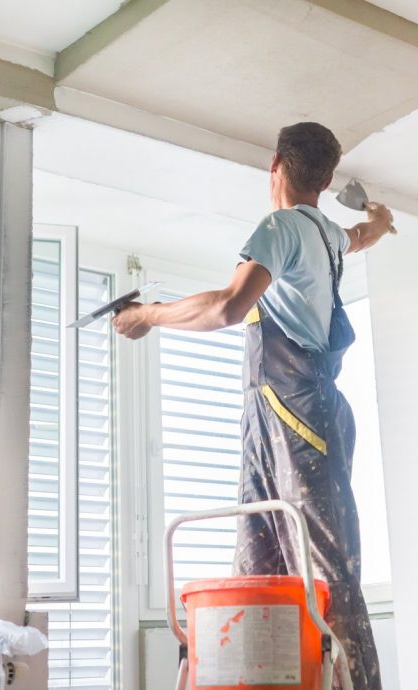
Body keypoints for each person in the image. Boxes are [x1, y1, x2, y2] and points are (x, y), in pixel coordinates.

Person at [113, 122, 393, 690]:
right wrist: (381, 222)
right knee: (261, 565)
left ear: (275, 165)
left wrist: (148, 315)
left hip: (297, 417)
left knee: (328, 577)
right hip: (282, 417)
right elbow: (360, 236)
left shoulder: (281, 226)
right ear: (328, 179)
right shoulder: (326, 236)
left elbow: (227, 306)